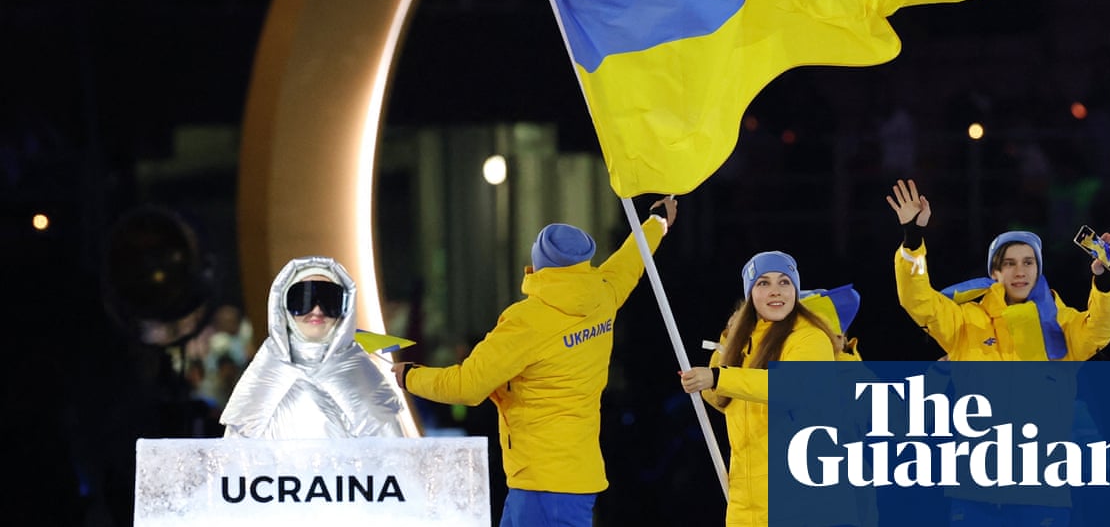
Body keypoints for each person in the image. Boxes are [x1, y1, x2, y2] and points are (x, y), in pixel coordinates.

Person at [393, 197, 677, 527]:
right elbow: (632, 258)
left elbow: (467, 386)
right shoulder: (602, 294)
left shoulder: (527, 321)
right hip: (567, 478)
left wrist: (408, 376)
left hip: (541, 485)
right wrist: (657, 222)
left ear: (537, 261)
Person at [885, 178, 1110, 524]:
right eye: (1009, 263)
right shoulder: (966, 322)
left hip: (1042, 491)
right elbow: (917, 300)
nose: (1020, 271)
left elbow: (1104, 327)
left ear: (1038, 269)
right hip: (974, 491)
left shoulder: (1063, 326)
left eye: (1028, 262)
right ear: (994, 272)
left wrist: (1103, 280)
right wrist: (912, 240)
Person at [679, 250, 873, 527]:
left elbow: (794, 387)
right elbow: (726, 401)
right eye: (763, 283)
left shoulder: (811, 338)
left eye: (784, 282)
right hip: (747, 503)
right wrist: (708, 370)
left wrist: (717, 376)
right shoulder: (743, 342)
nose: (775, 291)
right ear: (749, 295)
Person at [220, 256, 405, 438]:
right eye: (302, 300)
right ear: (282, 304)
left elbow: (391, 459)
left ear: (345, 307)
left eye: (329, 299)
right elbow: (235, 458)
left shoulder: (361, 377)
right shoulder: (264, 375)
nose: (317, 310)